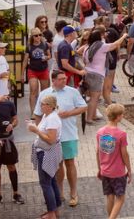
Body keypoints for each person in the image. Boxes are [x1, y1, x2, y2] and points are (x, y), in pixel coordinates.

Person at [35, 70, 88, 207]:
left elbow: (83, 107)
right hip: (52, 138)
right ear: (53, 80)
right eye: (61, 79)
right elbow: (37, 114)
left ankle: (73, 193)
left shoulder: (72, 91)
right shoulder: (44, 94)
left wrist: (69, 113)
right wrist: (40, 132)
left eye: (65, 78)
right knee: (57, 166)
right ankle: (60, 193)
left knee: (70, 163)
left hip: (69, 134)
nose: (65, 81)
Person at [29, 94, 64, 219]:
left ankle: (51, 213)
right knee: (51, 180)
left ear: (49, 106)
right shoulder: (47, 115)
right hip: (47, 152)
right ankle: (55, 209)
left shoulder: (52, 119)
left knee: (45, 183)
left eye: (42, 104)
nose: (40, 106)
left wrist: (36, 130)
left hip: (47, 153)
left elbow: (51, 140)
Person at [95, 103, 131, 219]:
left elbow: (97, 152)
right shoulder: (121, 134)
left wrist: (99, 168)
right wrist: (129, 169)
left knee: (109, 196)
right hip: (118, 172)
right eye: (122, 115)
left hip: (105, 171)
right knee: (120, 198)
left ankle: (111, 216)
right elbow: (124, 154)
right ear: (118, 117)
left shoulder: (100, 132)